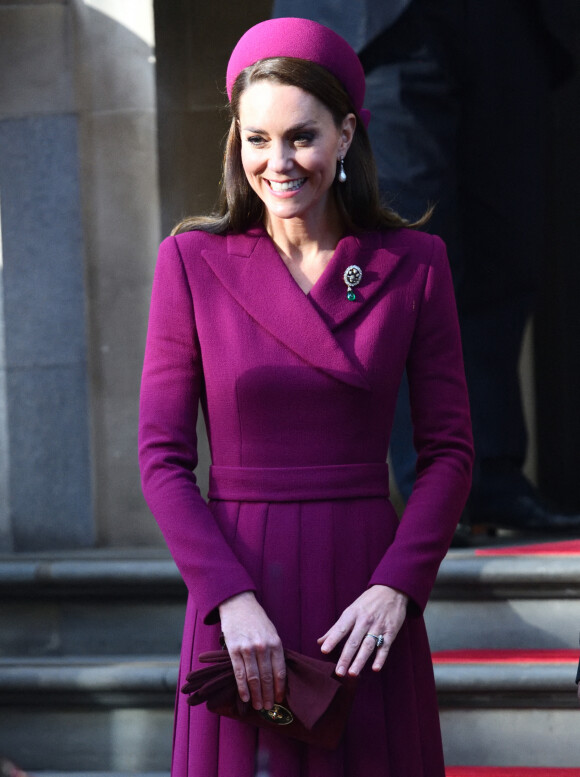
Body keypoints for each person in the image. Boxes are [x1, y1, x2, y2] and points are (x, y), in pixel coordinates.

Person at [139, 17, 473, 777]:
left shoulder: (414, 264)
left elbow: (449, 451)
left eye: (301, 136)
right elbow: (161, 458)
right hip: (238, 588)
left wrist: (399, 585)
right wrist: (228, 598)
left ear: (347, 132)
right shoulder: (191, 261)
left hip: (364, 597)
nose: (277, 161)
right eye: (256, 139)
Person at [272, 0, 580, 537]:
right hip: (380, 23)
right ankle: (434, 490)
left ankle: (494, 476)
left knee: (506, 246)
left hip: (508, 22)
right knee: (407, 254)